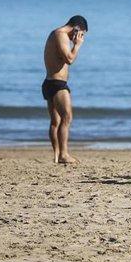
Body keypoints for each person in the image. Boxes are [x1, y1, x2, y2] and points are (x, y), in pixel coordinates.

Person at [43, 15, 88, 164]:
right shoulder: (61, 34)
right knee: (67, 117)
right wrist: (78, 44)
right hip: (57, 84)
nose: (79, 37)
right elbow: (69, 59)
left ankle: (56, 156)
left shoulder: (55, 34)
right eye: (81, 33)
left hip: (50, 82)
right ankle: (63, 154)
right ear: (77, 28)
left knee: (55, 121)